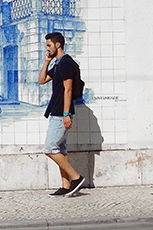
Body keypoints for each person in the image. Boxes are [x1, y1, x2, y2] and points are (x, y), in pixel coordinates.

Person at [38, 32, 85, 197]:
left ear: (58, 45)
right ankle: (66, 186)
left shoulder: (66, 63)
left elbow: (68, 90)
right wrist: (46, 62)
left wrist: (66, 114)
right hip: (56, 111)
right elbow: (42, 80)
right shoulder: (58, 63)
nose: (47, 48)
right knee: (61, 150)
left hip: (61, 113)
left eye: (49, 45)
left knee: (49, 149)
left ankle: (76, 177)